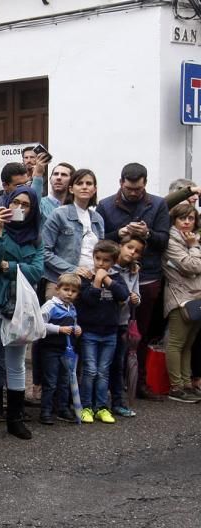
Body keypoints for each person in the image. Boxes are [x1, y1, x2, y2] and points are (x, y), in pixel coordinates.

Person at [0, 185, 44, 440]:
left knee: (16, 364)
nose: (20, 209)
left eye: (26, 205)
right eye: (17, 203)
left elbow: (37, 271)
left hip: (19, 307)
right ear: (8, 203)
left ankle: (15, 418)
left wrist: (8, 266)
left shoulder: (36, 236)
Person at [97, 163, 170, 400]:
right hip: (114, 275)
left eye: (138, 189)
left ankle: (138, 382)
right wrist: (119, 233)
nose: (133, 193)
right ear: (121, 183)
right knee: (112, 331)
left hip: (148, 275)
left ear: (145, 184)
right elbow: (99, 241)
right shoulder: (106, 205)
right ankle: (110, 384)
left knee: (142, 332)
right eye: (129, 189)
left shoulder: (157, 204)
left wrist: (147, 234)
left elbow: (164, 240)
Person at [74, 240, 131, 423]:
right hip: (90, 332)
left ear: (113, 262)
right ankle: (86, 406)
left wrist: (107, 279)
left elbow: (123, 295)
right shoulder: (86, 279)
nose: (100, 264)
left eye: (105, 260)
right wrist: (97, 281)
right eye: (97, 259)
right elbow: (88, 300)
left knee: (103, 371)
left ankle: (101, 407)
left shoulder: (117, 279)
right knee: (90, 370)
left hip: (110, 333)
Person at [43, 169, 105, 297]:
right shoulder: (59, 214)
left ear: (94, 189)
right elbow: (44, 252)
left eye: (88, 183)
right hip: (61, 283)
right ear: (71, 189)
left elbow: (104, 253)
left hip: (91, 284)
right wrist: (73, 269)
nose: (84, 187)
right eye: (79, 183)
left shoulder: (98, 218)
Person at [163, 201, 201, 402]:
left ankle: (187, 382)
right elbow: (191, 266)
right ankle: (176, 387)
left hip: (197, 296)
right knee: (176, 343)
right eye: (182, 218)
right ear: (174, 220)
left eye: (191, 218)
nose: (187, 222)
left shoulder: (193, 239)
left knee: (189, 343)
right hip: (180, 298)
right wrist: (194, 248)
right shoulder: (172, 240)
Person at [36, 274, 82, 424]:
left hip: (67, 350)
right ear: (57, 289)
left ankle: (62, 408)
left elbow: (74, 323)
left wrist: (77, 329)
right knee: (50, 381)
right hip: (50, 349)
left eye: (73, 291)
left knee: (65, 380)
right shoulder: (50, 306)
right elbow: (40, 325)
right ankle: (46, 411)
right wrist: (59, 329)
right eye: (66, 289)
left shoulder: (72, 308)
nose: (69, 293)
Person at [110, 235, 144, 417]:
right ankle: (91, 402)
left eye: (137, 251)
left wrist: (135, 299)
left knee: (118, 364)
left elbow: (137, 297)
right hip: (104, 323)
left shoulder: (134, 271)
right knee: (95, 365)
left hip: (122, 323)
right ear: (120, 246)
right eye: (130, 247)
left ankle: (117, 402)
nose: (133, 252)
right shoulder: (108, 266)